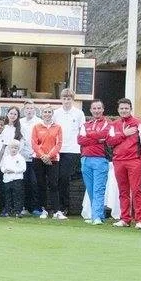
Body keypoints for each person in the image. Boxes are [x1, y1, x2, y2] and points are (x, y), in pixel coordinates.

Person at [106, 98, 141, 230]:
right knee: (123, 191)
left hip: (134, 161)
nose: (124, 110)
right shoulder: (114, 124)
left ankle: (140, 220)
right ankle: (125, 218)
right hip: (118, 161)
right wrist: (123, 134)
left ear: (130, 108)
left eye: (126, 108)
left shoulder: (139, 123)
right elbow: (109, 141)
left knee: (137, 190)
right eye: (121, 108)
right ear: (118, 110)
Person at [52, 89, 85, 219]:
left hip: (72, 150)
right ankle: (57, 207)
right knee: (56, 179)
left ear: (72, 99)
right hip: (57, 150)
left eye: (69, 98)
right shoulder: (56, 113)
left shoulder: (78, 113)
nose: (66, 101)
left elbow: (82, 131)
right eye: (64, 98)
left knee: (64, 178)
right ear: (61, 99)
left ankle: (64, 207)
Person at [77, 99, 112, 225]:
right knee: (91, 189)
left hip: (100, 159)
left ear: (103, 109)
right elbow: (80, 140)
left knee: (98, 189)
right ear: (91, 110)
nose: (97, 111)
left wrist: (90, 135)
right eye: (94, 108)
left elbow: (105, 135)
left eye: (99, 108)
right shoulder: (86, 124)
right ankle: (97, 215)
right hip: (85, 159)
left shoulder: (107, 123)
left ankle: (96, 217)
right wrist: (97, 138)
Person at [31, 106, 62, 219]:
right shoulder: (36, 127)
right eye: (45, 112)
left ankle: (56, 211)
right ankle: (43, 210)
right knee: (41, 185)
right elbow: (34, 144)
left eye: (49, 112)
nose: (47, 114)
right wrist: (43, 156)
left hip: (53, 160)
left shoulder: (57, 127)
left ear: (52, 113)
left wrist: (49, 156)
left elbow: (58, 144)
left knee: (53, 185)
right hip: (39, 159)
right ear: (41, 113)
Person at [0, 141, 27, 217]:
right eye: (12, 148)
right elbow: (2, 167)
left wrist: (14, 171)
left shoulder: (20, 158)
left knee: (17, 196)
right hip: (7, 180)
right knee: (8, 196)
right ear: (9, 148)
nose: (14, 149)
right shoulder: (6, 158)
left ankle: (18, 211)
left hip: (17, 179)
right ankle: (8, 211)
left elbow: (23, 168)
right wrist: (4, 170)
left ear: (18, 149)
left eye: (16, 148)